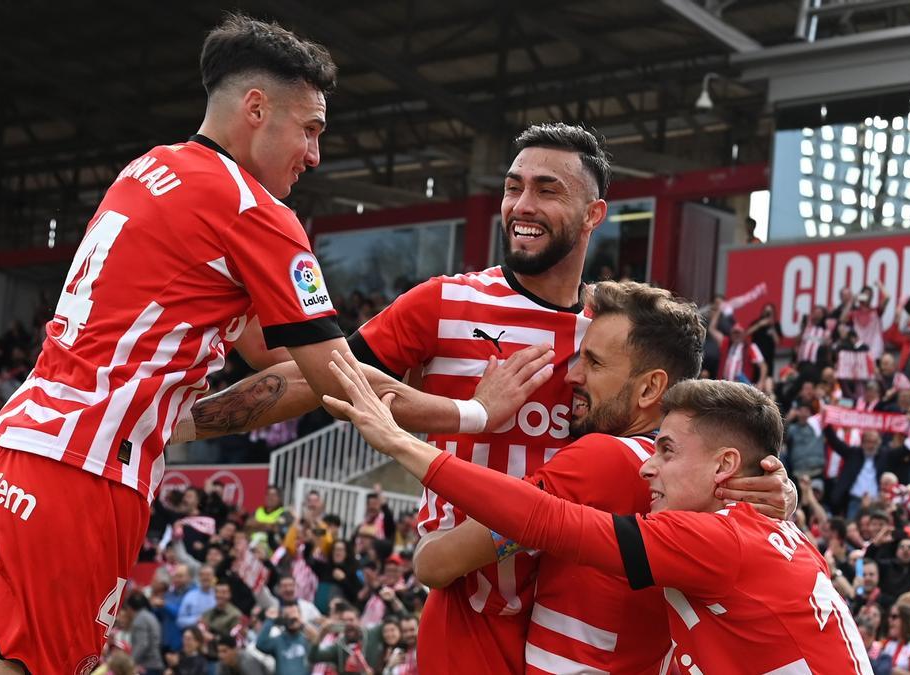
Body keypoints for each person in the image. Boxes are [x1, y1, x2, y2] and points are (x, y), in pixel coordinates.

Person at [0, 14, 514, 675]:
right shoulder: (253, 211)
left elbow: (274, 359)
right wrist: (471, 412)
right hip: (83, 474)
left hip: (8, 449)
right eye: (310, 128)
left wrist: (344, 358)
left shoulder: (148, 170)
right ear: (257, 108)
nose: (316, 153)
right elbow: (336, 379)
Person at [184, 124, 786, 674]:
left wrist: (772, 484)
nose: (523, 206)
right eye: (514, 187)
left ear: (594, 212)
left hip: (584, 606)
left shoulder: (614, 329)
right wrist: (179, 427)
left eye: (548, 190)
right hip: (469, 601)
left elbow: (693, 435)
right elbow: (315, 377)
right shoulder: (446, 302)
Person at [326, 358, 872, 672]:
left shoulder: (711, 536)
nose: (573, 376)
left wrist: (403, 445)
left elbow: (538, 524)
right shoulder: (775, 526)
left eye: (667, 451)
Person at [406, 281, 793, 672]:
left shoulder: (603, 457)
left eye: (594, 363)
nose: (572, 377)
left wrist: (466, 421)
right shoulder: (707, 481)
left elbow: (436, 565)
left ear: (650, 387)